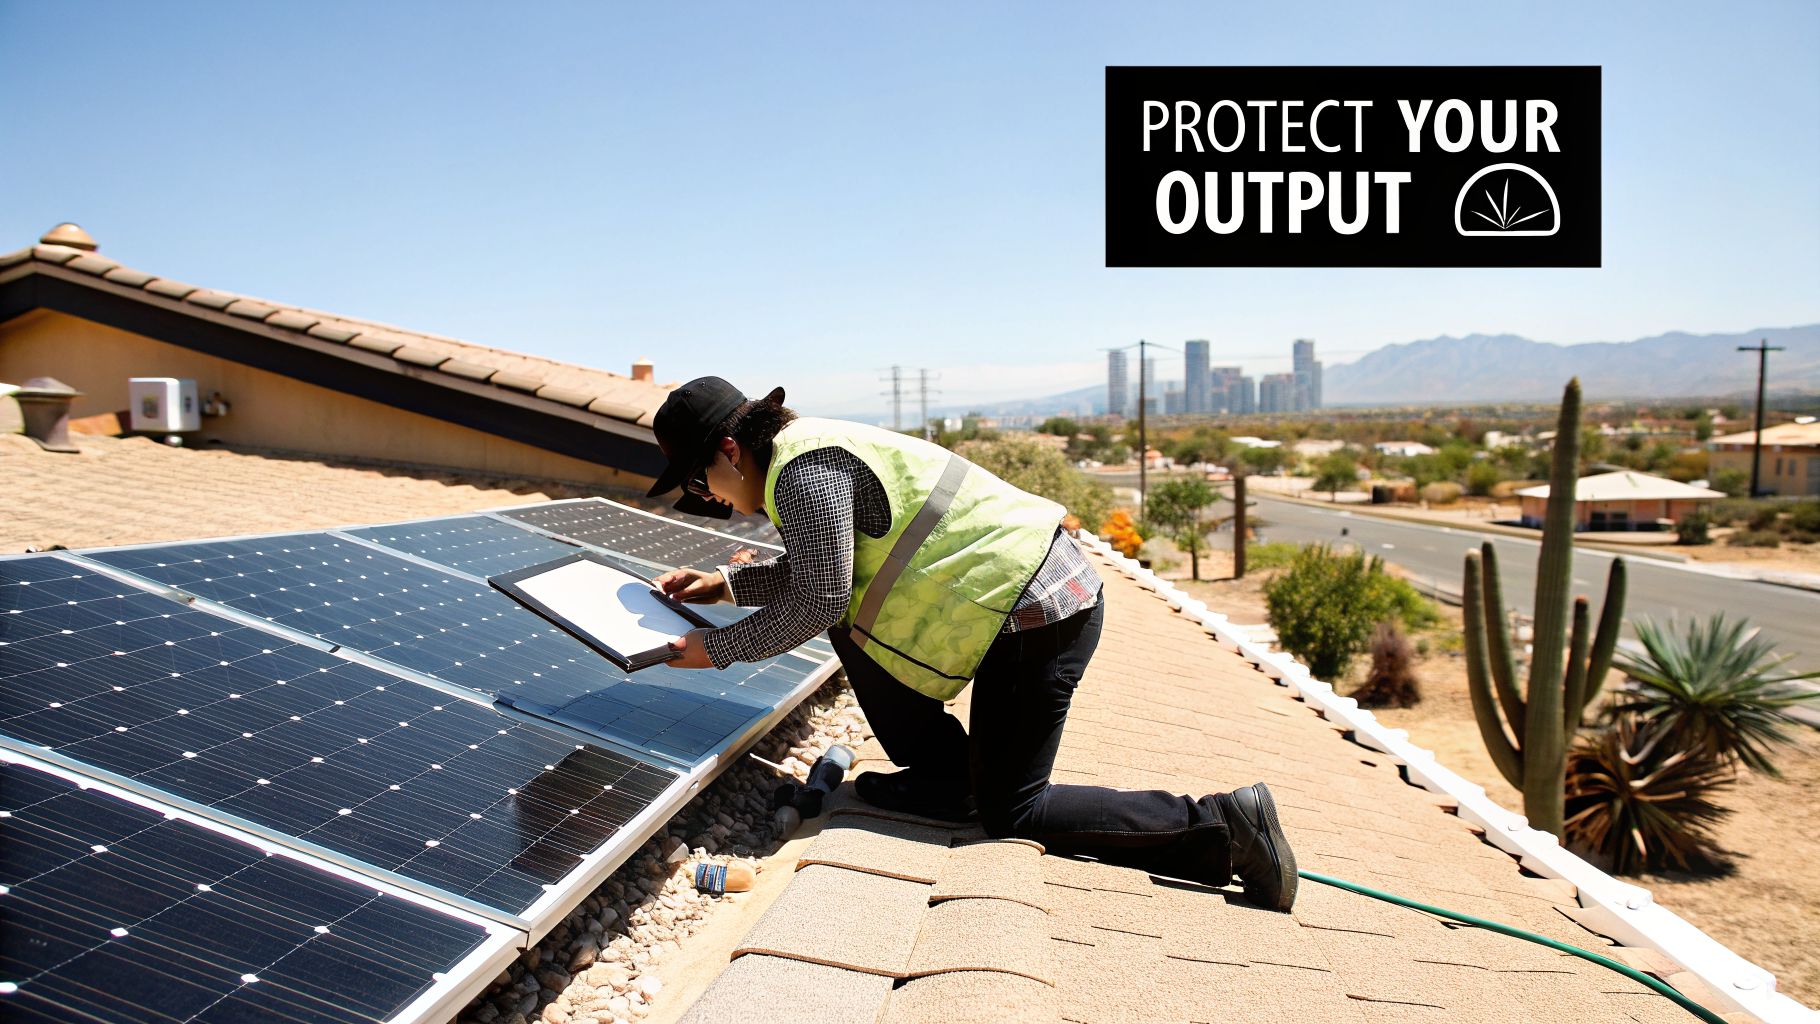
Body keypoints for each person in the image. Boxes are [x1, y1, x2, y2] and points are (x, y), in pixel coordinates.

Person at [644, 377, 1297, 911]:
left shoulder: (800, 474)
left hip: (1040, 616)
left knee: (1013, 811)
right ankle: (942, 778)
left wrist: (717, 649)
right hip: (1027, 603)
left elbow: (818, 600)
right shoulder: (805, 453)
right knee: (850, 626)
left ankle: (1223, 826)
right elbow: (821, 572)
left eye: (701, 485)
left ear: (730, 449)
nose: (714, 503)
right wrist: (724, 586)